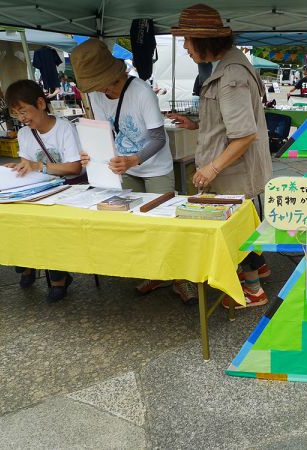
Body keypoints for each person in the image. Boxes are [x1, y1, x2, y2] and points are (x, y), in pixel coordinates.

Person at [169, 4, 273, 309]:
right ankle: (260, 269)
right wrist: (196, 124)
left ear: (203, 41)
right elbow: (229, 122)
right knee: (248, 223)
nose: (185, 46)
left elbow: (244, 134)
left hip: (235, 174)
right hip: (238, 171)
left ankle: (253, 289)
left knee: (240, 228)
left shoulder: (230, 77)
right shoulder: (230, 66)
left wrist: (212, 168)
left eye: (187, 39)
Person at [71, 39, 178, 297]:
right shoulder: (96, 93)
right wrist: (91, 152)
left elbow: (158, 138)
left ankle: (179, 277)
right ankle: (154, 274)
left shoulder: (141, 92)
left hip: (154, 168)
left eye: (98, 84)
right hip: (124, 169)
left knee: (164, 225)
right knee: (135, 224)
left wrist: (133, 160)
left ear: (110, 76)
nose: (97, 91)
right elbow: (102, 130)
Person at [4, 79, 82, 302]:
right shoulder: (24, 134)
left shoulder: (65, 128)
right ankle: (27, 265)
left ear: (40, 103)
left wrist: (39, 166)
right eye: (16, 114)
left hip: (71, 189)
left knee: (49, 226)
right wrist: (17, 168)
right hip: (42, 189)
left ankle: (58, 278)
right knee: (18, 219)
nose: (22, 118)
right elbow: (26, 165)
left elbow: (74, 167)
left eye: (24, 111)